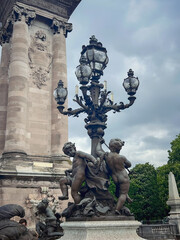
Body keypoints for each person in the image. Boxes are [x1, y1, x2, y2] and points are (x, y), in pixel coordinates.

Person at [96, 138, 132, 214]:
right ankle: (117, 209)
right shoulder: (122, 157)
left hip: (115, 178)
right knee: (123, 194)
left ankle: (127, 198)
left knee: (119, 192)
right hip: (123, 177)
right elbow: (129, 164)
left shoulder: (107, 156)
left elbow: (98, 151)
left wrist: (99, 143)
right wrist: (124, 165)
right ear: (119, 148)